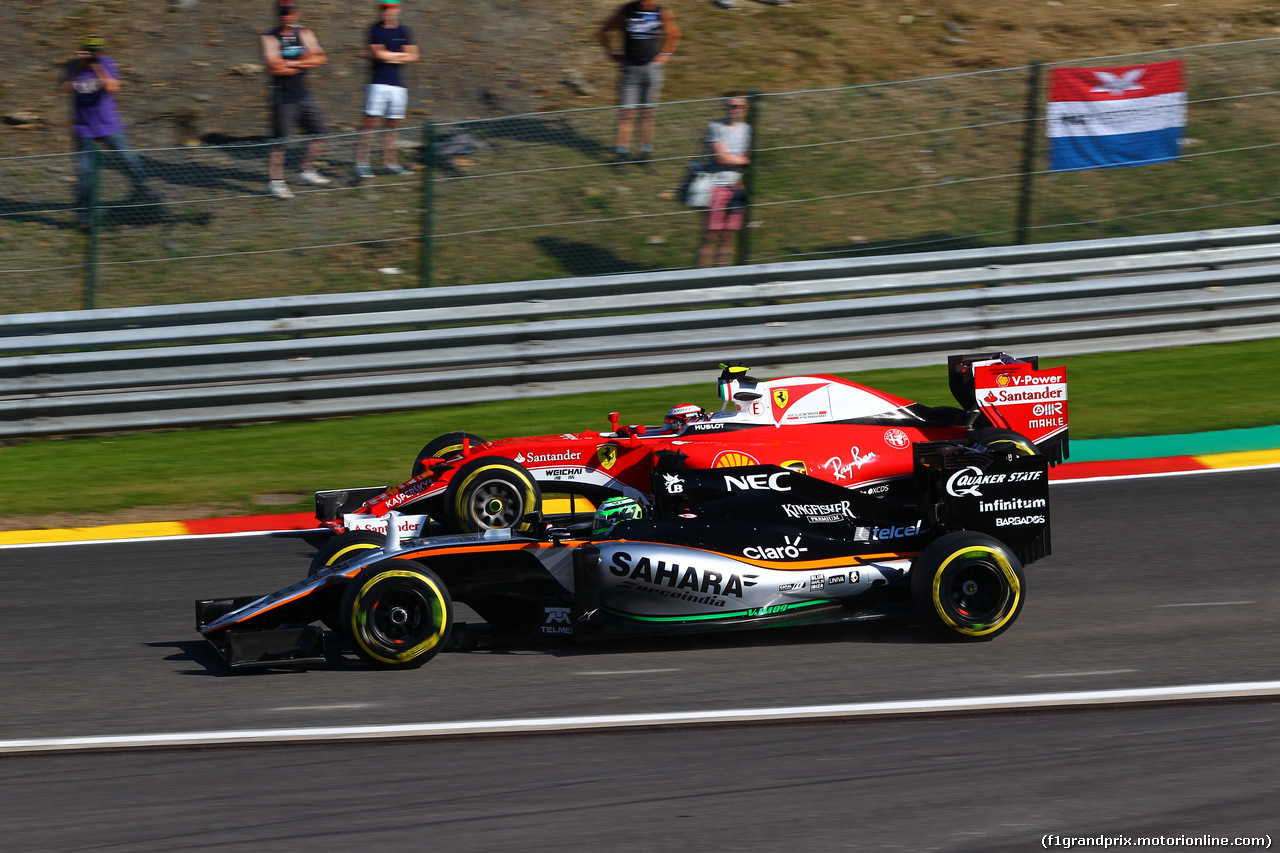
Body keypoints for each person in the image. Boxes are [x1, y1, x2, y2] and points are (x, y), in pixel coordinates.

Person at [60, 35, 155, 228]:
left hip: (109, 125)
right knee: (85, 173)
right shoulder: (73, 66)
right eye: (89, 50)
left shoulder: (107, 63)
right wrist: (80, 64)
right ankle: (84, 215)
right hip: (83, 128)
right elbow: (64, 88)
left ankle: (143, 192)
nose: (93, 54)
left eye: (95, 51)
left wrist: (96, 66)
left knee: (129, 159)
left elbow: (113, 88)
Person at [597, 0, 681, 166]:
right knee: (626, 113)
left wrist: (666, 55)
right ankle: (622, 154)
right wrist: (610, 53)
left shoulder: (661, 12)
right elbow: (604, 32)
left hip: (652, 69)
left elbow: (675, 34)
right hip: (630, 69)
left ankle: (645, 154)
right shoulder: (626, 10)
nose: (646, 2)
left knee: (647, 112)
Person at [261, 0, 331, 199]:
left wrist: (291, 62)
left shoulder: (305, 34)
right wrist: (304, 61)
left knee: (319, 132)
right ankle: (275, 182)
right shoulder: (270, 37)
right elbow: (275, 67)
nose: (287, 16)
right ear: (278, 14)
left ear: (296, 13)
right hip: (282, 98)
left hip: (303, 95)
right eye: (283, 12)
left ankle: (307, 171)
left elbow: (320, 58)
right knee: (280, 142)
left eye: (290, 12)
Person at [354, 0, 419, 179]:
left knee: (393, 125)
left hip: (398, 85)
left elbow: (414, 55)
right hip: (378, 83)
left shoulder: (404, 30)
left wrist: (392, 57)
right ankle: (361, 162)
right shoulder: (375, 29)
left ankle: (390, 161)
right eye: (384, 8)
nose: (387, 12)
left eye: (390, 8)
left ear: (397, 10)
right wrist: (401, 56)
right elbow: (379, 54)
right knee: (370, 123)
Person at [698, 93, 752, 268]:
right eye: (730, 106)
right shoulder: (716, 127)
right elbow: (720, 157)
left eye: (738, 106)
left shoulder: (748, 130)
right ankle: (702, 277)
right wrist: (741, 160)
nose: (733, 110)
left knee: (727, 237)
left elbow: (748, 155)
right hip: (716, 187)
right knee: (710, 235)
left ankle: (723, 275)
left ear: (745, 108)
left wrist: (735, 158)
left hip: (736, 187)